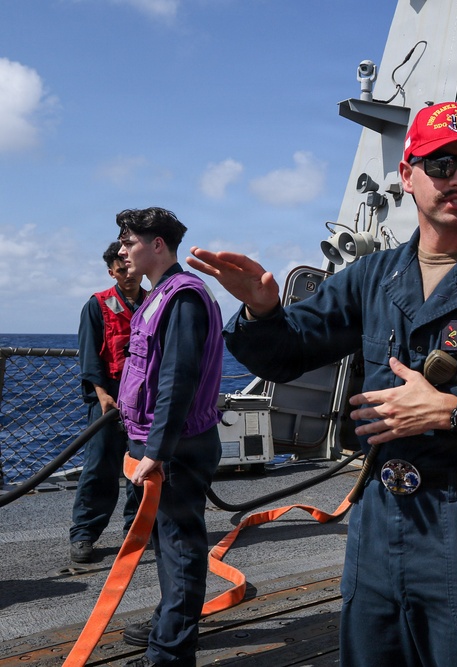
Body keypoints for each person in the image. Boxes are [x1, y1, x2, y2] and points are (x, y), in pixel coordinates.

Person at [187, 101, 457, 666]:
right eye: (442, 164)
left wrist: (454, 415)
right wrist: (264, 311)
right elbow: (289, 354)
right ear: (407, 174)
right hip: (378, 523)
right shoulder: (372, 277)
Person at [114, 207, 224, 667]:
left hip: (174, 449)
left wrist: (157, 451)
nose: (122, 250)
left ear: (157, 244)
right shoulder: (160, 295)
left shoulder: (182, 298)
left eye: (129, 241)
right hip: (159, 443)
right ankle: (169, 622)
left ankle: (171, 654)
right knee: (167, 544)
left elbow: (177, 379)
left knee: (180, 547)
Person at [70, 241, 148, 564]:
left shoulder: (155, 303)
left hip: (143, 400)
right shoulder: (97, 305)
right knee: (100, 464)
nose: (126, 275)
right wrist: (102, 397)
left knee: (142, 467)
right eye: (119, 270)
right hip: (109, 398)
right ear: (110, 272)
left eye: (129, 268)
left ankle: (138, 528)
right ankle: (84, 534)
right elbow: (90, 356)